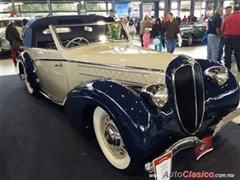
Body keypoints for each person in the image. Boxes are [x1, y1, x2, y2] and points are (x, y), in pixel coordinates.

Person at [221, 4, 240, 71]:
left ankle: (227, 67)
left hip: (228, 37)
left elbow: (222, 29)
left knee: (228, 53)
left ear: (233, 10)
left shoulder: (228, 17)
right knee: (238, 53)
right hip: (238, 37)